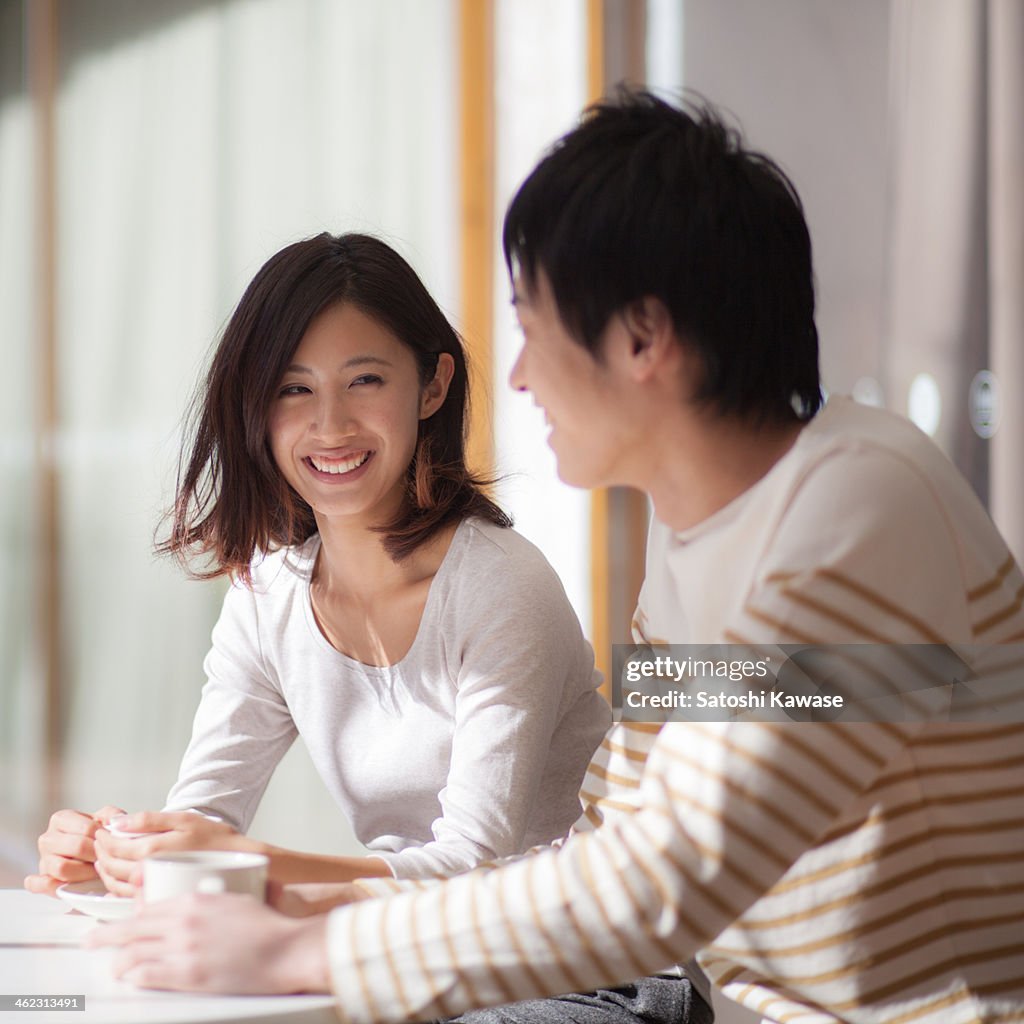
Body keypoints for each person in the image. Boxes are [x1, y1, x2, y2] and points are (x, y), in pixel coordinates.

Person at [89, 91, 1024, 1024]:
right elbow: (616, 836)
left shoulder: (855, 510)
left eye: (533, 326)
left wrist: (311, 946)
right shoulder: (699, 541)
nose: (523, 374)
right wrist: (312, 906)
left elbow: (664, 878)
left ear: (643, 339)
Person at [26, 231, 611, 896]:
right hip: (416, 952)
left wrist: (251, 865)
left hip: (579, 967)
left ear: (432, 386)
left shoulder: (500, 586)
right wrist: (121, 857)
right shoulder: (267, 593)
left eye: (365, 380)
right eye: (293, 389)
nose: (331, 425)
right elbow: (204, 815)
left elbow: (472, 864)